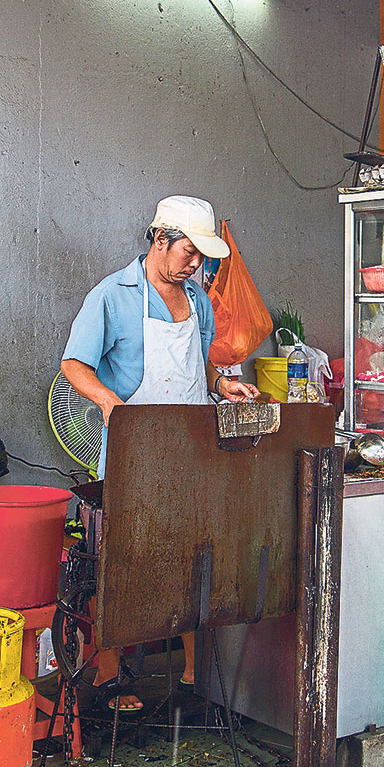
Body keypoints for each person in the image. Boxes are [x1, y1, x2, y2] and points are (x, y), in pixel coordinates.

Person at [61, 195, 259, 709]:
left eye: (203, 257)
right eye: (190, 252)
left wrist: (223, 384)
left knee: (192, 563)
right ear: (159, 239)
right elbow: (74, 365)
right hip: (134, 454)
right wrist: (109, 401)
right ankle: (112, 676)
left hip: (191, 454)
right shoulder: (112, 295)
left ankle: (195, 677)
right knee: (124, 564)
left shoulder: (197, 299)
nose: (197, 264)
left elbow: (200, 363)